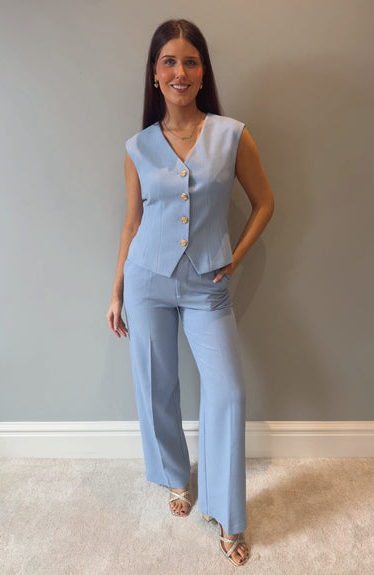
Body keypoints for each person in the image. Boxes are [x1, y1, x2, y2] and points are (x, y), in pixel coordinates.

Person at [107, 19, 274, 567]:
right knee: (156, 384)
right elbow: (132, 223)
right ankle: (176, 475)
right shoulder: (137, 147)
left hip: (208, 285)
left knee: (228, 393)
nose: (180, 71)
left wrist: (236, 256)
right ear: (154, 75)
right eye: (169, 62)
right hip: (147, 280)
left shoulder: (231, 135)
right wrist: (117, 290)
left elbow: (265, 202)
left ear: (203, 73)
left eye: (191, 61)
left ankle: (227, 511)